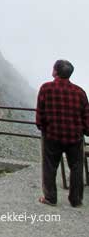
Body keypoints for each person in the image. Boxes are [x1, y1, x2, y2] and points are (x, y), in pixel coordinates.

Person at [36, 59, 89, 207]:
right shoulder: (80, 92)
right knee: (77, 167)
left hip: (52, 135)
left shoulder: (46, 88)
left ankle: (50, 198)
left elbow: (40, 113)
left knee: (49, 167)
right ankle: (76, 200)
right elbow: (86, 116)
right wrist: (85, 131)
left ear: (55, 71)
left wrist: (43, 128)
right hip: (74, 137)